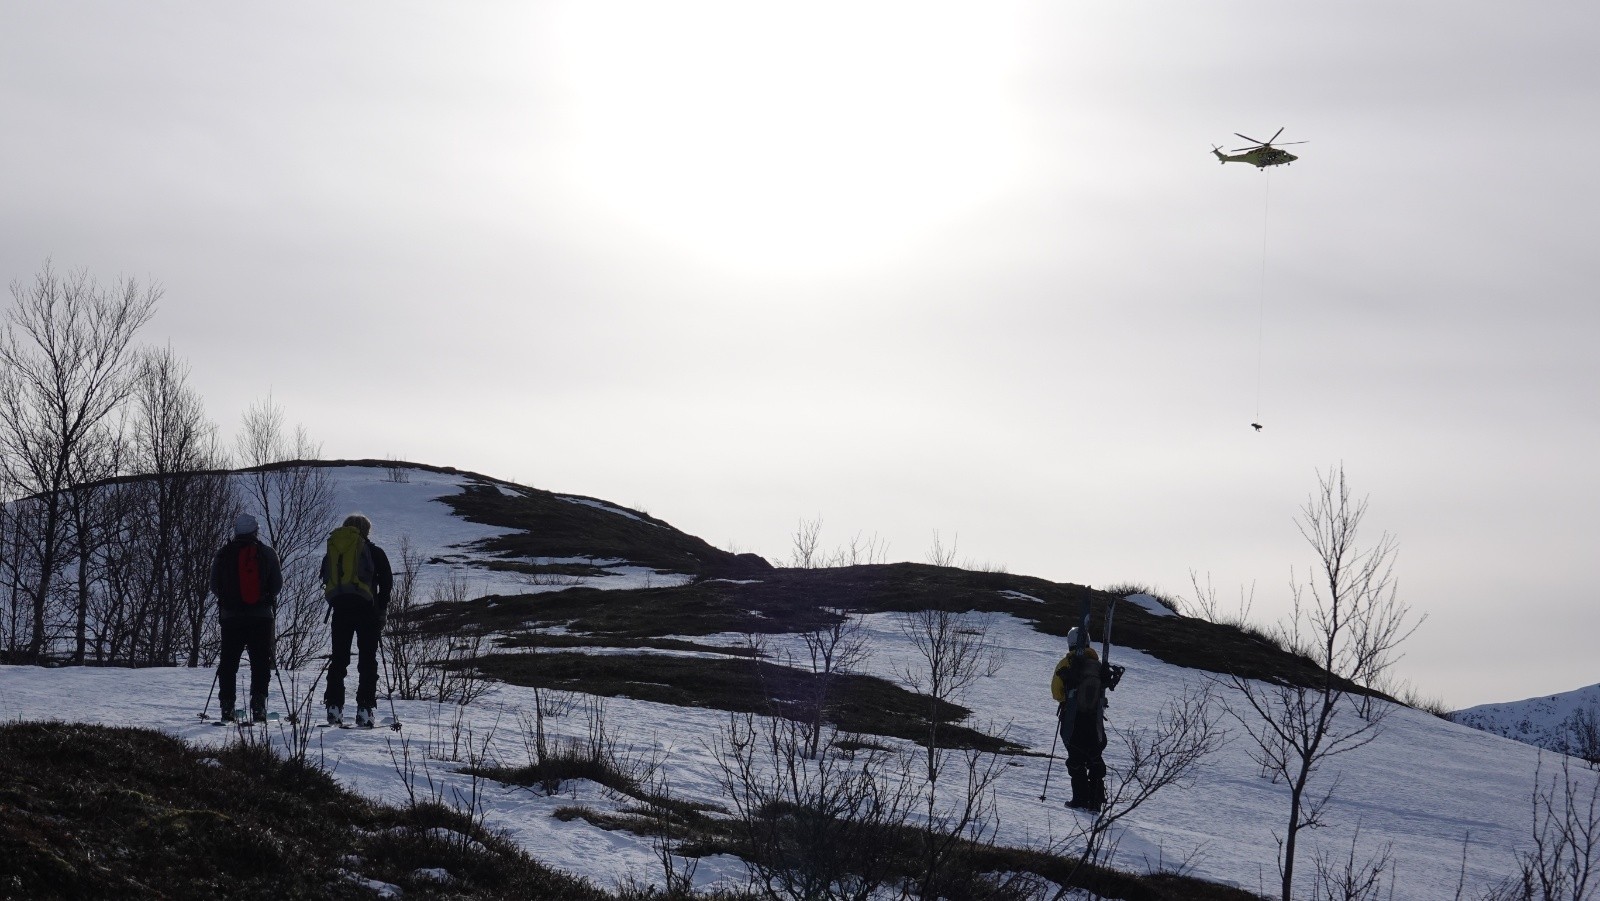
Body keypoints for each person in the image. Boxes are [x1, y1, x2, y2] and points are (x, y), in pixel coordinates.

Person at [321, 513, 393, 728]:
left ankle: (334, 706)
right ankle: (365, 708)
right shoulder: (375, 552)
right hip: (367, 611)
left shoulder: (334, 550)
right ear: (367, 530)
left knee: (339, 659)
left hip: (340, 610)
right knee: (367, 660)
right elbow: (387, 584)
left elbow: (326, 578)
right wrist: (381, 608)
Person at [210, 513, 283, 723]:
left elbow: (214, 585)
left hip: (231, 617)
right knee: (260, 662)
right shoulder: (267, 553)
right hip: (261, 617)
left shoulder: (223, 553)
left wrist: (229, 600)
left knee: (228, 662)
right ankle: (259, 706)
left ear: (236, 531)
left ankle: (227, 707)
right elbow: (277, 586)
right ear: (255, 531)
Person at [1050, 627, 1108, 811]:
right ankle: (1096, 798)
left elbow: (1056, 692)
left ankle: (1080, 799)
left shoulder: (1066, 663)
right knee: (1094, 756)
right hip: (1094, 719)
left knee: (1076, 758)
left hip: (1073, 718)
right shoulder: (1098, 665)